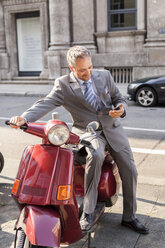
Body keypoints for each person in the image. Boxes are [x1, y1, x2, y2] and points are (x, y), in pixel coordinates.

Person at [10, 46, 149, 234]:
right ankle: (88, 213)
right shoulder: (63, 85)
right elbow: (45, 103)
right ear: (71, 68)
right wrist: (24, 118)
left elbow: (118, 97)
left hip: (113, 129)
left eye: (90, 68)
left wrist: (121, 108)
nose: (88, 73)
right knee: (96, 155)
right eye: (83, 70)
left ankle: (129, 216)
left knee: (131, 170)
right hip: (88, 131)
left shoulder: (104, 76)